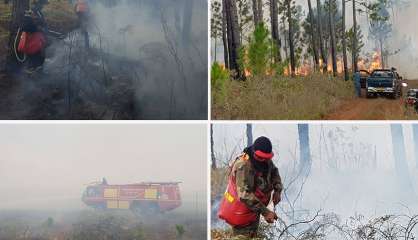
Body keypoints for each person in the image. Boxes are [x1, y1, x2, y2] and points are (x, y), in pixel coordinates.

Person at [218, 136, 283, 237]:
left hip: (253, 210)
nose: (263, 161)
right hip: (240, 213)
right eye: (260, 158)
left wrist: (277, 190)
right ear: (254, 152)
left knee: (253, 235)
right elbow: (244, 195)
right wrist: (266, 212)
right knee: (243, 237)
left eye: (266, 158)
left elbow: (274, 172)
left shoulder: (265, 160)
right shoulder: (243, 165)